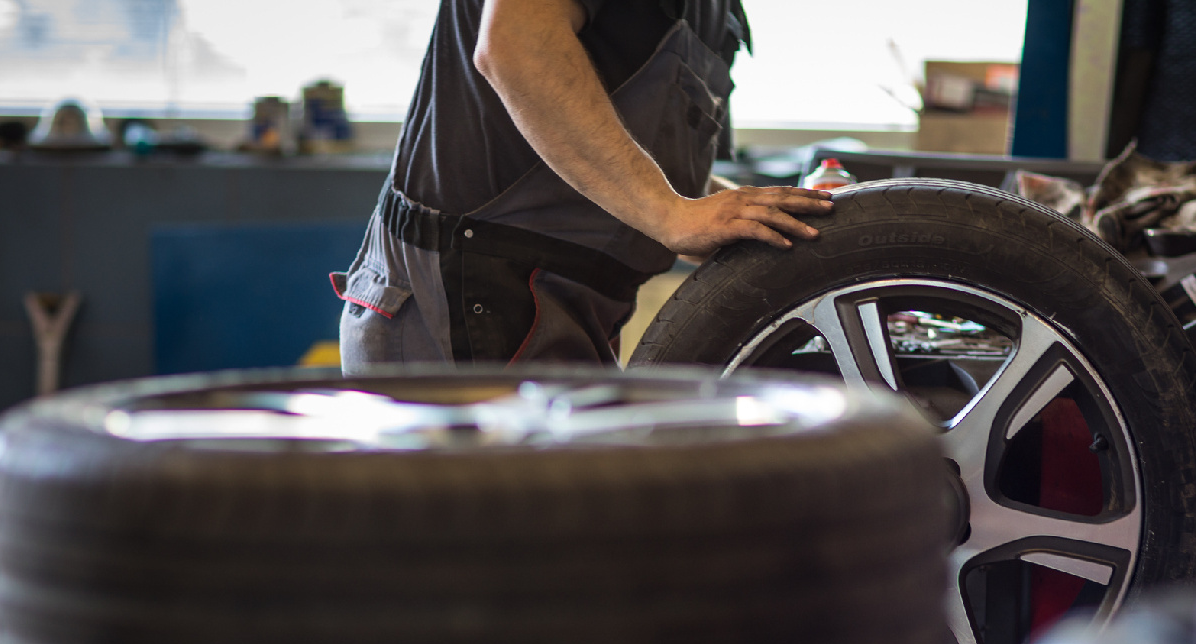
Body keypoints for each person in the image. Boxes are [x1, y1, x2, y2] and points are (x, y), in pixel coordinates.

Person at [333, 0, 835, 370]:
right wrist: (672, 214)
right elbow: (516, 45)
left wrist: (765, 219)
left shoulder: (714, 12)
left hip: (570, 303)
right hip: (466, 292)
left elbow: (662, 178)